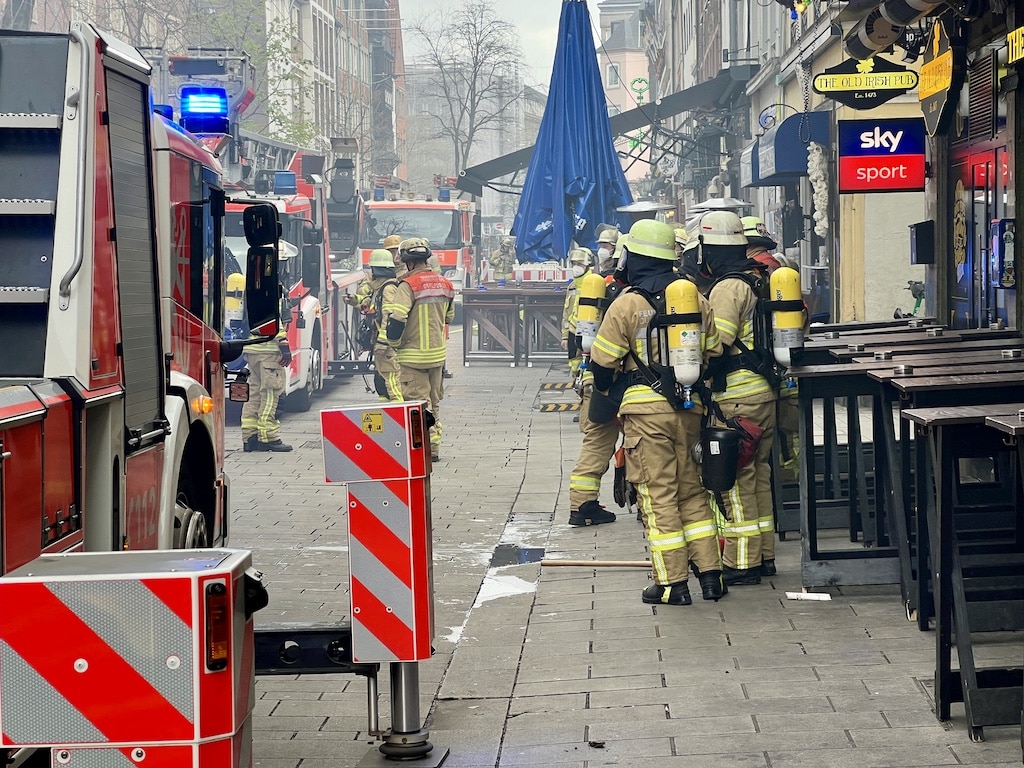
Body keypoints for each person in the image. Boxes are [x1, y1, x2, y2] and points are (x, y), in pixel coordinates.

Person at [590, 219, 725, 605]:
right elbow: (714, 351)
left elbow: (602, 365)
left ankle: (671, 584)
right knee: (693, 493)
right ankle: (712, 576)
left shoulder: (626, 303)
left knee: (658, 496)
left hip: (644, 416)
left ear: (636, 256)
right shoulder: (695, 298)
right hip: (689, 408)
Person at [690, 210, 778, 586]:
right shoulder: (761, 277)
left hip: (737, 398)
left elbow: (719, 342)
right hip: (764, 392)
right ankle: (765, 555)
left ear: (710, 250)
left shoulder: (729, 287)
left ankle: (742, 563)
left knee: (737, 481)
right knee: (760, 476)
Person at [386, 238, 455, 460]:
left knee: (417, 404)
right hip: (437, 357)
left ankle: (423, 449)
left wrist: (394, 344)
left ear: (408, 262)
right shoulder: (446, 284)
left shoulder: (408, 285)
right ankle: (434, 445)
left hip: (412, 357)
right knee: (433, 403)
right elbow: (449, 317)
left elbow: (397, 318)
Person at [241, 319, 293, 453]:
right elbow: (272, 318)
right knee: (271, 395)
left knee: (254, 395)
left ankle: (250, 437)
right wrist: (283, 341)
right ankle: (268, 438)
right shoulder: (270, 296)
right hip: (268, 352)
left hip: (252, 350)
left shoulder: (250, 297)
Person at [360, 249, 403, 401]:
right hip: (379, 339)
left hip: (386, 343)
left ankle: (399, 408)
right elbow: (372, 307)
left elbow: (389, 315)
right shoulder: (379, 287)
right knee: (383, 377)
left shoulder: (388, 288)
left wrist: (383, 341)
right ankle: (389, 409)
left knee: (391, 378)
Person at [561, 247, 595, 378]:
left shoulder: (594, 283)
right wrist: (564, 336)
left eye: (579, 264)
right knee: (574, 364)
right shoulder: (572, 286)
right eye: (574, 264)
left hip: (588, 332)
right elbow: (566, 312)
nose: (576, 267)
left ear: (588, 265)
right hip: (572, 332)